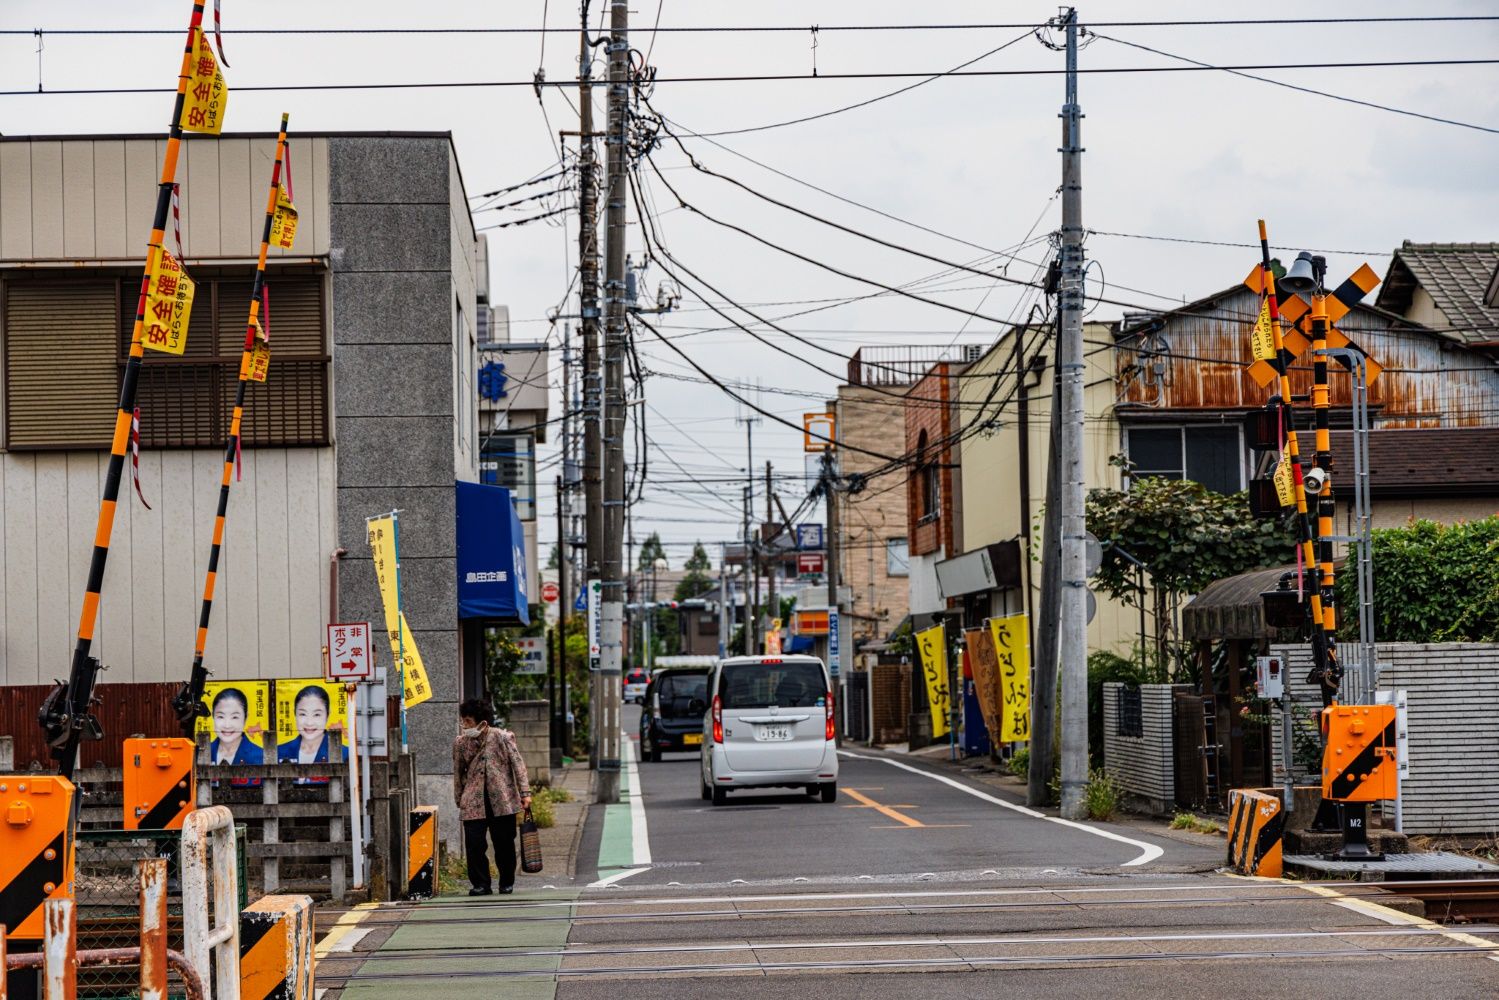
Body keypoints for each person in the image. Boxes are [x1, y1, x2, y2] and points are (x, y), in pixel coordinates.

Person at [453, 698, 531, 896]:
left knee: (504, 843)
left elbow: (518, 765)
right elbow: (458, 772)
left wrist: (525, 793)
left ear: (482, 722)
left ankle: (506, 881)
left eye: (468, 721)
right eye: (463, 720)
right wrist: (459, 798)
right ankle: (481, 884)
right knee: (474, 844)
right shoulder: (460, 743)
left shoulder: (503, 737)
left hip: (502, 799)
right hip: (473, 799)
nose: (465, 725)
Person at [277, 685, 345, 763]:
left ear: (328, 714)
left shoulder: (345, 753)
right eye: (303, 714)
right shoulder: (279, 752)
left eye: (317, 715)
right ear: (295, 714)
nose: (309, 723)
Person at [209, 687, 265, 765]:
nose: (227, 725)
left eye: (234, 717)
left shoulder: (260, 756)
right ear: (213, 716)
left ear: (245, 718)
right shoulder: (201, 754)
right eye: (221, 716)